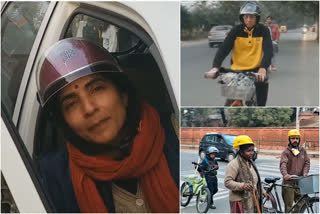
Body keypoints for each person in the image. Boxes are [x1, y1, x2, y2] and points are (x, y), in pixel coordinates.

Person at [35, 38, 179, 213]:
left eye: (97, 89)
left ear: (123, 94)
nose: (88, 108)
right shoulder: (52, 179)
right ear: (64, 121)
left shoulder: (177, 133)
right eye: (71, 104)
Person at [205, 2, 273, 106]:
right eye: (246, 17)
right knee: (230, 102)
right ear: (242, 18)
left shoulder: (264, 31)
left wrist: (263, 68)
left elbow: (268, 51)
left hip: (257, 70)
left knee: (260, 101)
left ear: (257, 18)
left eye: (252, 17)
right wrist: (215, 67)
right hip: (237, 70)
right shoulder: (235, 30)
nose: (249, 20)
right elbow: (223, 49)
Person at [224, 135, 269, 213]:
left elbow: (255, 182)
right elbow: (227, 182)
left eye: (252, 150)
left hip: (252, 199)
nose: (251, 153)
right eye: (248, 151)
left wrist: (263, 192)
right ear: (241, 151)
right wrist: (243, 186)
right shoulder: (234, 164)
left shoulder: (250, 163)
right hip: (239, 201)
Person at [280, 129, 310, 213]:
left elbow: (307, 162)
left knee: (301, 204)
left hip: (300, 183)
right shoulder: (286, 152)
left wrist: (305, 172)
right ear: (289, 139)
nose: (295, 140)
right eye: (293, 138)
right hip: (288, 183)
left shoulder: (303, 151)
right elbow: (283, 164)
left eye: (297, 138)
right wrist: (285, 175)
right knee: (289, 206)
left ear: (299, 139)